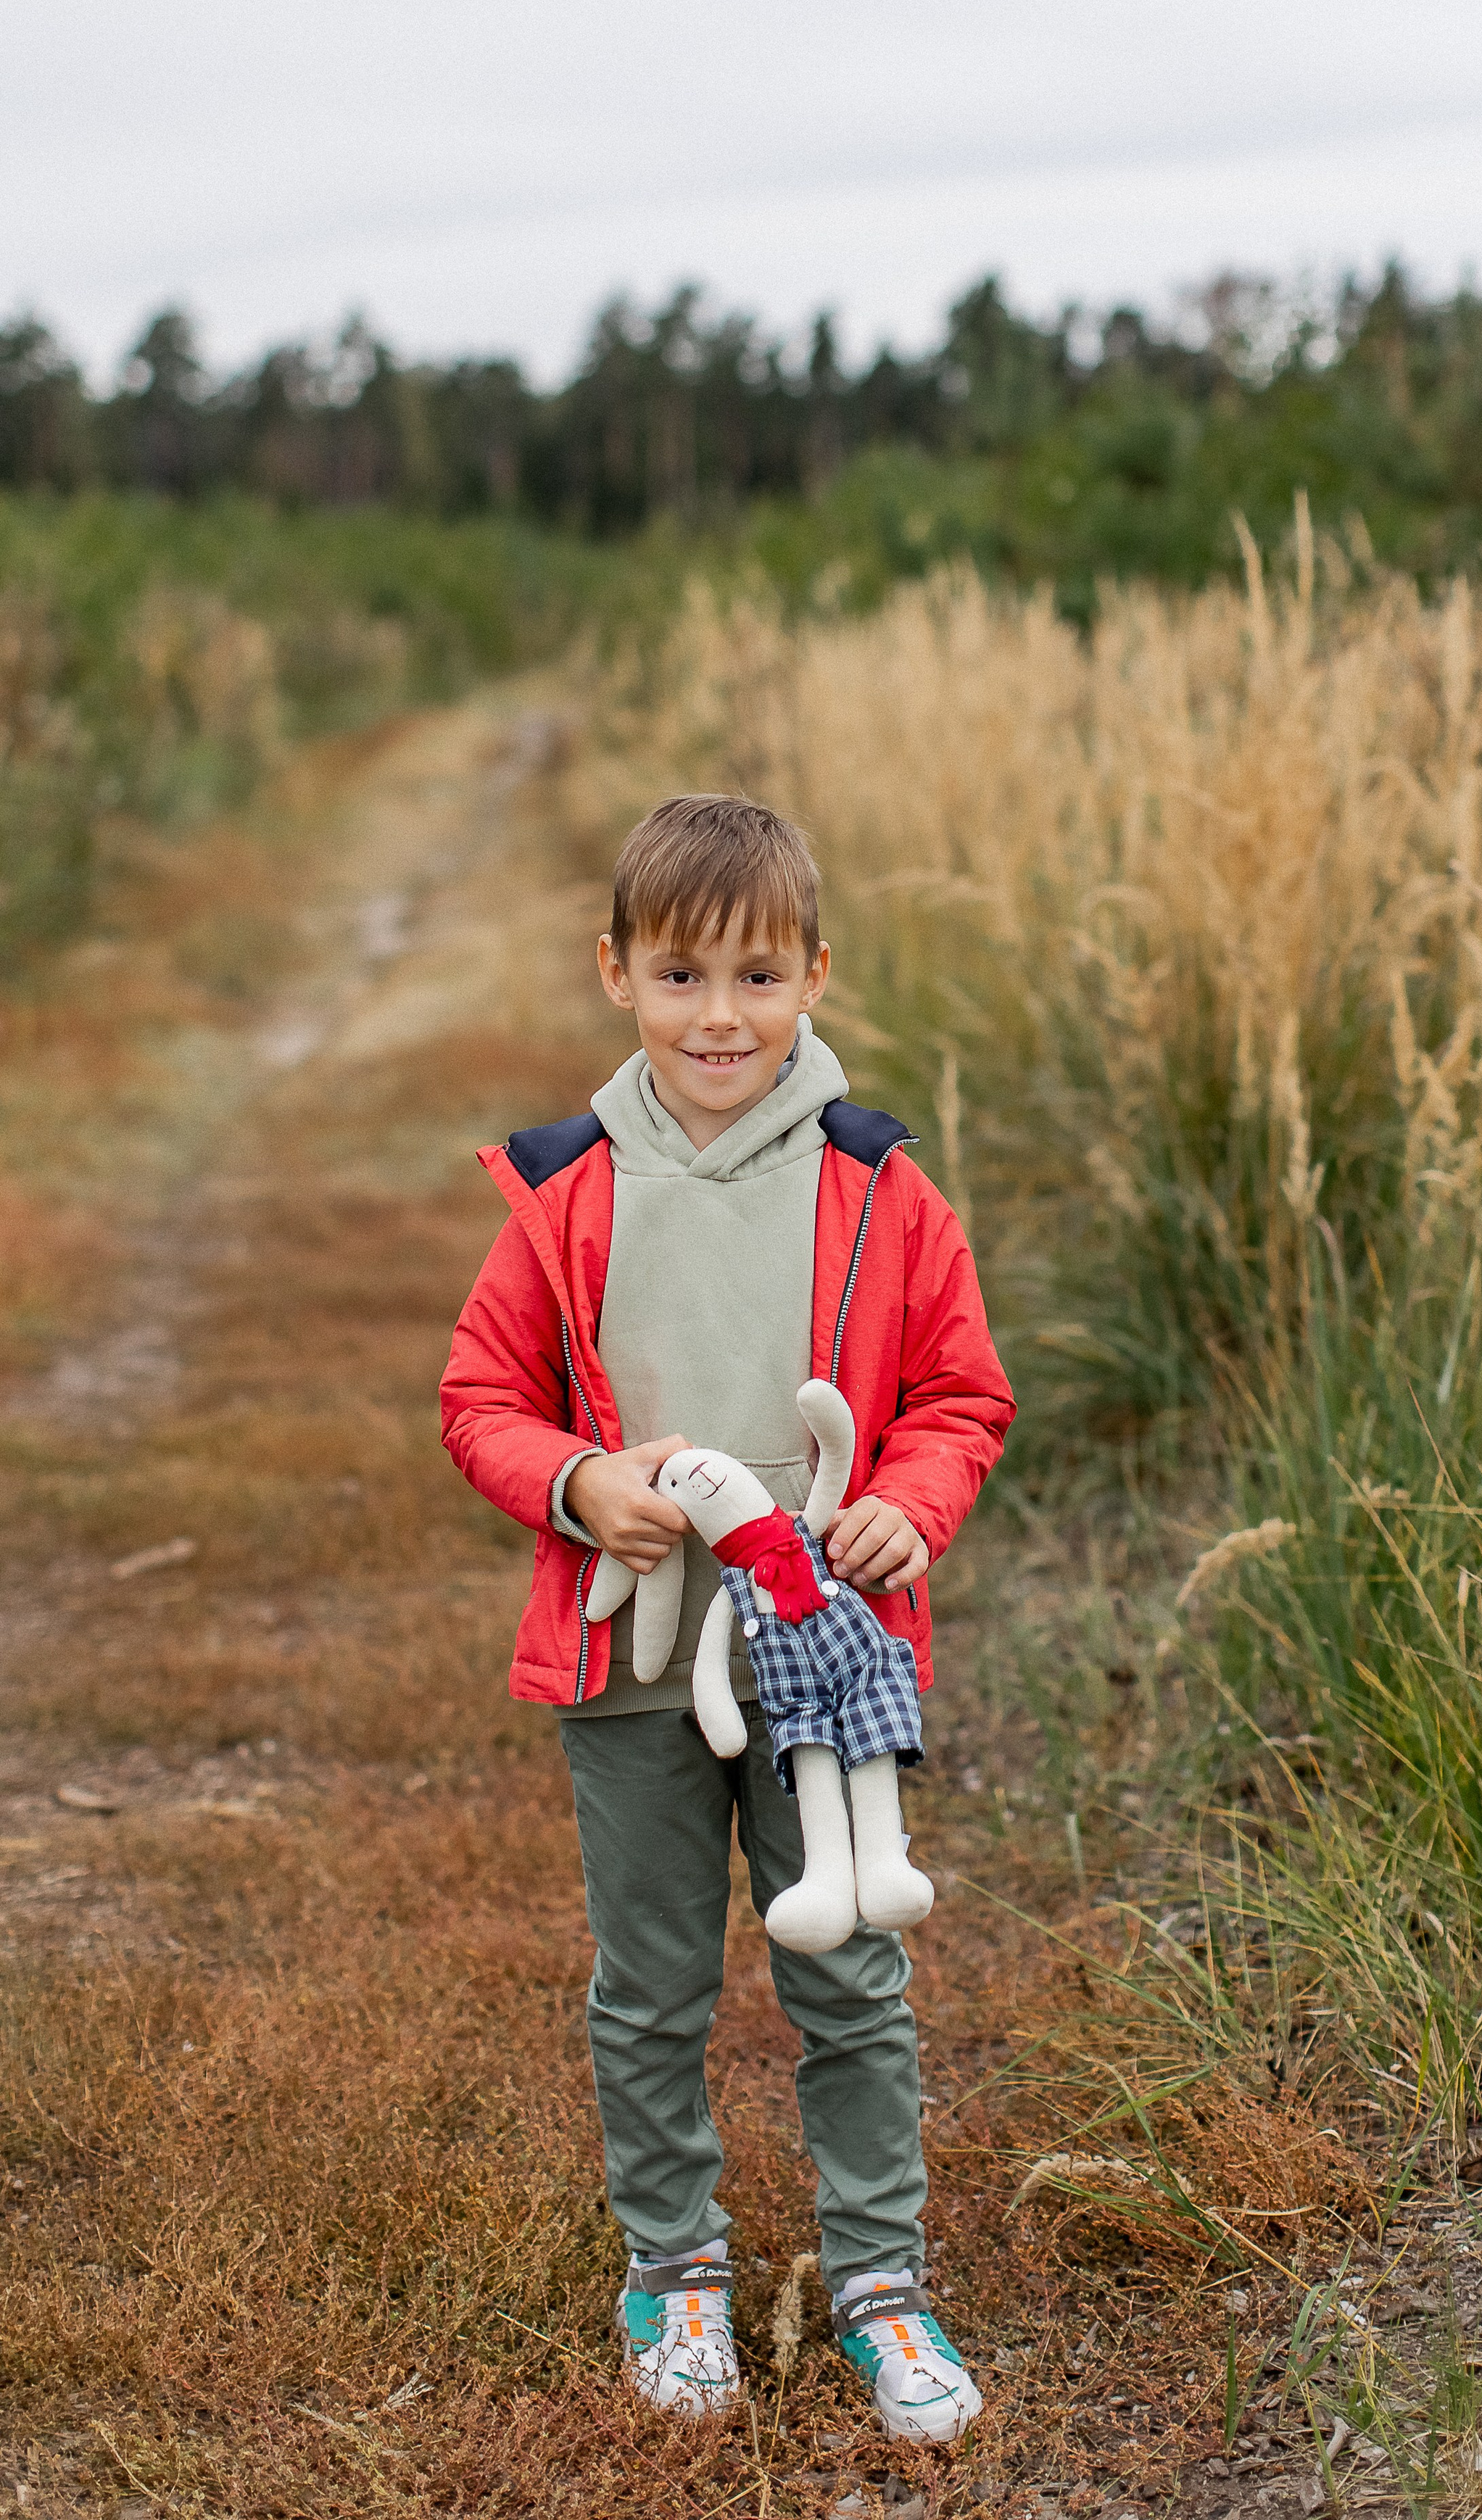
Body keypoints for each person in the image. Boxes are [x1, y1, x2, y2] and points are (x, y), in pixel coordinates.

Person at [439, 793, 1014, 2443]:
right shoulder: (566, 1189)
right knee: (651, 1982)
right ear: (615, 972)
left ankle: (881, 2281)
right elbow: (482, 1398)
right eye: (681, 976)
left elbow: (960, 1395)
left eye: (758, 978)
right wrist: (574, 1483)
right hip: (631, 1658)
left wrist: (909, 1502)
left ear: (815, 975)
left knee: (849, 1970)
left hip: (819, 1655)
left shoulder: (877, 1185)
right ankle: (674, 2268)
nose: (719, 1017)